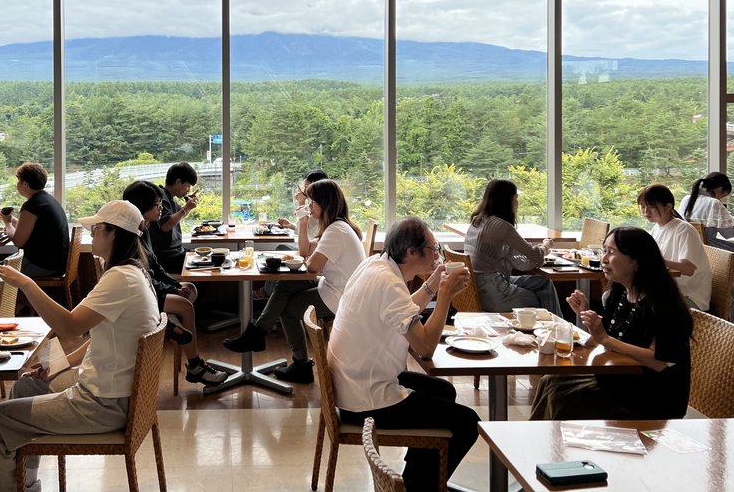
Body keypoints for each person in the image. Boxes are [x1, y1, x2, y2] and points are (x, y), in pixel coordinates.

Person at [0, 200, 159, 492]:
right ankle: (27, 484)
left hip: (103, 404)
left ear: (113, 234)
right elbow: (100, 335)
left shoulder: (120, 279)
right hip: (116, 393)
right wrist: (58, 364)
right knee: (25, 387)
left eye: (97, 230)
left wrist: (26, 283)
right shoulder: (133, 273)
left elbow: (70, 326)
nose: (92, 235)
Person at [329, 216, 478, 492]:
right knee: (468, 422)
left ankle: (414, 481)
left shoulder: (375, 265)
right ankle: (420, 487)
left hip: (354, 383)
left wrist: (433, 284)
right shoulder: (389, 283)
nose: (436, 255)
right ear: (411, 252)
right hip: (367, 401)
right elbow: (424, 346)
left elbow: (402, 310)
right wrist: (445, 295)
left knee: (443, 392)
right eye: (433, 249)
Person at [531, 227, 692, 420]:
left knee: (564, 398)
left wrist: (606, 339)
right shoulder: (620, 293)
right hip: (620, 381)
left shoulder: (664, 305)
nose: (604, 259)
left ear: (636, 261)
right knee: (551, 382)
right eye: (604, 251)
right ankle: (545, 448)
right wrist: (585, 314)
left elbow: (659, 362)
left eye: (612, 252)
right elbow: (606, 336)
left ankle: (560, 449)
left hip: (650, 396)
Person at [223, 179, 365, 383]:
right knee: (285, 284)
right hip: (335, 286)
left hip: (340, 295)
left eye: (312, 202)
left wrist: (304, 257)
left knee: (287, 308)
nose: (309, 206)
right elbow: (305, 251)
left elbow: (313, 266)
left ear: (325, 203)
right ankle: (258, 334)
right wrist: (303, 222)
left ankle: (300, 363)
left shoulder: (336, 231)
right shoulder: (336, 226)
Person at [121, 180, 226, 386]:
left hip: (150, 287)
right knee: (185, 306)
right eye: (157, 206)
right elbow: (141, 278)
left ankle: (168, 320)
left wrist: (175, 285)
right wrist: (170, 288)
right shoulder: (129, 237)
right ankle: (194, 365)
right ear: (142, 207)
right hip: (139, 294)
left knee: (190, 287)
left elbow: (155, 266)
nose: (162, 209)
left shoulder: (144, 227)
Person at [463, 178, 562, 316]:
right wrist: (546, 246)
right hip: (492, 292)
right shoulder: (501, 226)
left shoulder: (478, 220)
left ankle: (555, 330)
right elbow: (534, 256)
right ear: (506, 200)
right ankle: (554, 331)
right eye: (516, 198)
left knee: (544, 283)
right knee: (535, 297)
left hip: (480, 287)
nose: (517, 202)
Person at [638, 184, 711, 311]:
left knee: (639, 304)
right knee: (621, 295)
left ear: (668, 206)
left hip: (689, 298)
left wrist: (656, 261)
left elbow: (688, 269)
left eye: (651, 207)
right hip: (668, 291)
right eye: (643, 206)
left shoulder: (684, 230)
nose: (646, 212)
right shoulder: (657, 228)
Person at [0, 162, 70, 279]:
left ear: (25, 184)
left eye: (18, 180)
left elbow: (18, 241)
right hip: (57, 264)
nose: (17, 184)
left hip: (42, 265)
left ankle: (8, 298)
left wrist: (7, 223)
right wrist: (10, 219)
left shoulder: (32, 205)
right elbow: (32, 227)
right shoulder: (47, 200)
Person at [147, 162, 199, 274]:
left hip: (175, 253)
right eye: (188, 185)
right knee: (203, 267)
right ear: (178, 182)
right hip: (167, 257)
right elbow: (166, 225)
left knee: (203, 258)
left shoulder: (170, 198)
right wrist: (186, 208)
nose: (188, 190)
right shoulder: (161, 198)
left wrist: (187, 207)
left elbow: (178, 216)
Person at [679, 172, 734, 249]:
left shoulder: (686, 199)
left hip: (689, 245)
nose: (720, 199)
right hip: (708, 247)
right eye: (724, 195)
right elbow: (728, 234)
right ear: (720, 189)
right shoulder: (713, 203)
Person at [276, 169, 329, 242]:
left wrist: (301, 202)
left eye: (306, 186)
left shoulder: (319, 208)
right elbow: (306, 229)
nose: (304, 191)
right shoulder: (313, 204)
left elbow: (308, 235)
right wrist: (290, 226)